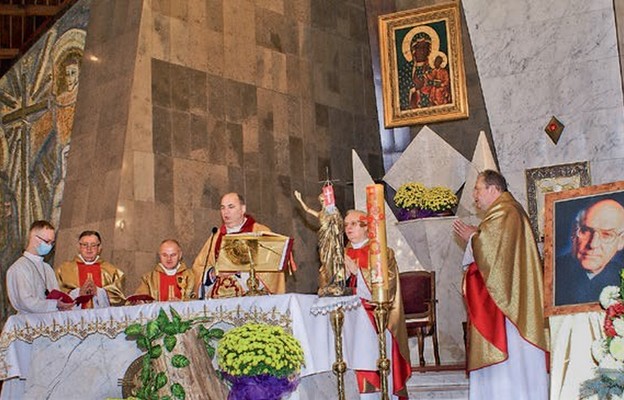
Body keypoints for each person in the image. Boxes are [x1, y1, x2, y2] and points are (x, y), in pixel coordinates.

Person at [452, 170, 549, 400]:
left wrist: (473, 238)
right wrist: (478, 236)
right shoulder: (505, 210)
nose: (474, 194)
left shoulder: (506, 211)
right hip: (508, 301)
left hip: (509, 309)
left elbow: (492, 251)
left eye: (477, 188)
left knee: (512, 364)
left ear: (493, 189)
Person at [343, 209, 411, 400]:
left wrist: (358, 272)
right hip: (347, 320)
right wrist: (342, 277)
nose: (348, 228)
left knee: (372, 363)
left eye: (353, 223)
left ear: (366, 227)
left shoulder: (381, 252)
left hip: (375, 319)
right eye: (346, 224)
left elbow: (386, 285)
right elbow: (327, 285)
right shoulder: (341, 253)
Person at [192, 192, 287, 298]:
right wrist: (213, 273)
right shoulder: (216, 236)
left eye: (231, 207)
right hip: (220, 299)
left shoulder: (260, 232)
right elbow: (199, 266)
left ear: (243, 209)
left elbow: (272, 268)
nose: (225, 212)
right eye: (222, 208)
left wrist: (239, 271)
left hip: (250, 298)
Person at [555, 199, 624, 305]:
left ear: (621, 241)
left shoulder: (620, 275)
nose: (593, 244)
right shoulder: (553, 272)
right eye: (585, 231)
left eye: (607, 235)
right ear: (574, 233)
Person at [6, 220, 74, 313]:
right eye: (47, 241)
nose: (49, 246)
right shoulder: (19, 268)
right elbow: (25, 302)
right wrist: (54, 305)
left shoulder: (47, 268)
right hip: (27, 321)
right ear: (34, 238)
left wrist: (62, 303)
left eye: (52, 243)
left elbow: (55, 294)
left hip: (49, 319)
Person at [294, 188, 346, 294]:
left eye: (324, 200)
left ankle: (333, 283)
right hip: (323, 242)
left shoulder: (333, 212)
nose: (322, 203)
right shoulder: (321, 213)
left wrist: (335, 221)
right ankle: (327, 282)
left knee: (331, 260)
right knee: (324, 261)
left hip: (331, 241)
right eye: (321, 201)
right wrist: (300, 200)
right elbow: (308, 210)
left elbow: (340, 223)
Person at [55, 230, 125, 308]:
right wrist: (77, 293)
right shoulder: (63, 270)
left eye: (93, 245)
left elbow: (119, 299)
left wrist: (99, 292)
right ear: (79, 247)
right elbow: (56, 296)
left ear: (99, 248)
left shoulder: (112, 271)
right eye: (85, 245)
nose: (89, 249)